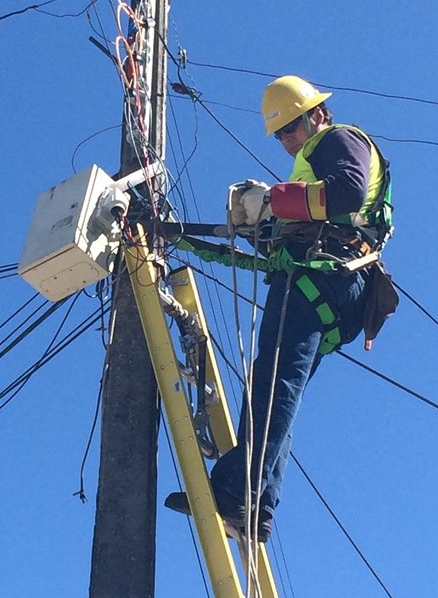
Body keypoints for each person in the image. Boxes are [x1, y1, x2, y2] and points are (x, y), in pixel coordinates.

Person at [167, 75, 394, 543]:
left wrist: (272, 201)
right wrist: (257, 222)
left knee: (274, 381)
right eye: (280, 134)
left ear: (317, 114)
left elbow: (347, 192)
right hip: (337, 285)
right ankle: (260, 507)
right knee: (281, 385)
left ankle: (234, 489)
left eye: (292, 126)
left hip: (321, 277)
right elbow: (309, 218)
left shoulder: (338, 139)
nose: (287, 139)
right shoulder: (309, 170)